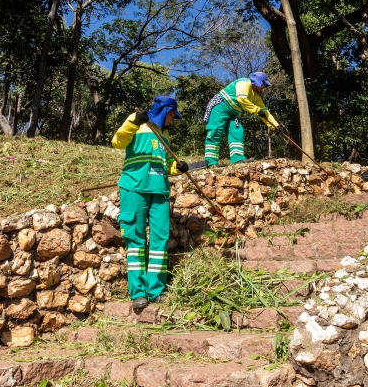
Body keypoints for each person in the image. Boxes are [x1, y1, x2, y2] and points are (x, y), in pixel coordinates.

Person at [111, 96, 189, 311]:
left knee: (159, 241)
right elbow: (118, 142)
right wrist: (134, 121)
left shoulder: (165, 134)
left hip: (160, 191)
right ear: (165, 111)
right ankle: (138, 292)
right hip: (134, 188)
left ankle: (156, 290)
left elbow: (166, 164)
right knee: (134, 238)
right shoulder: (137, 123)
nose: (173, 120)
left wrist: (177, 167)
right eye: (173, 115)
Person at [202, 72, 281, 167]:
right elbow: (242, 99)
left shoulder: (256, 96)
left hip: (233, 113)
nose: (264, 87)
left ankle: (237, 158)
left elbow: (265, 112)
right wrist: (256, 110)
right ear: (259, 82)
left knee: (237, 131)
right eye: (264, 84)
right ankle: (210, 162)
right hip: (220, 106)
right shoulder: (244, 82)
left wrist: (275, 126)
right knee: (215, 131)